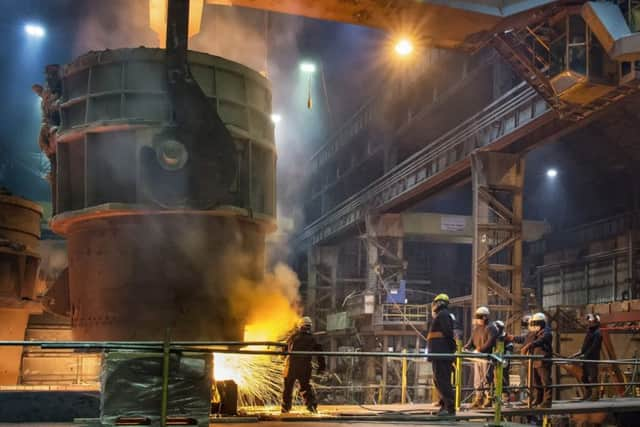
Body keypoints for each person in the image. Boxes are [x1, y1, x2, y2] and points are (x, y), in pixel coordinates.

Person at [281, 316, 326, 414]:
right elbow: (320, 354)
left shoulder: (293, 337)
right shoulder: (313, 339)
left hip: (291, 367)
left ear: (300, 326)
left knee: (288, 389)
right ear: (310, 326)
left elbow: (284, 350)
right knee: (305, 387)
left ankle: (285, 408)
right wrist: (321, 368)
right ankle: (311, 407)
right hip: (305, 367)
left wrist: (282, 358)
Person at [513, 312, 553, 408]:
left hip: (543, 361)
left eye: (536, 323)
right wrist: (512, 338)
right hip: (535, 360)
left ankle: (547, 401)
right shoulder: (534, 332)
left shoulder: (547, 332)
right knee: (536, 382)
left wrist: (528, 346)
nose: (534, 325)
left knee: (545, 381)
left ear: (542, 323)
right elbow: (525, 339)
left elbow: (540, 341)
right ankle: (538, 399)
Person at [427, 293, 456, 416]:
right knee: (438, 380)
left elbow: (448, 334)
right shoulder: (441, 315)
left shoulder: (443, 315)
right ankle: (444, 404)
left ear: (438, 303)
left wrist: (451, 350)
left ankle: (449, 408)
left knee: (443, 380)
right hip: (438, 353)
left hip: (442, 353)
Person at [464, 306, 498, 408]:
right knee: (478, 379)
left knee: (487, 378)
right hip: (477, 357)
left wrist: (480, 349)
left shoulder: (491, 328)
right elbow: (471, 341)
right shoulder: (477, 328)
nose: (478, 319)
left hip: (486, 357)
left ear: (485, 317)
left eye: (479, 317)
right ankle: (478, 398)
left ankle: (489, 398)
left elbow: (490, 342)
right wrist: (465, 348)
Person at [571, 313, 602, 401]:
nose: (589, 323)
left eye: (590, 321)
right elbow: (586, 345)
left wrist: (585, 355)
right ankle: (588, 393)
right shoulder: (590, 331)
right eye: (589, 322)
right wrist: (578, 353)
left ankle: (595, 395)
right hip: (586, 358)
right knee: (584, 377)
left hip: (592, 359)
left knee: (593, 377)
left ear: (595, 322)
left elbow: (594, 347)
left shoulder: (598, 333)